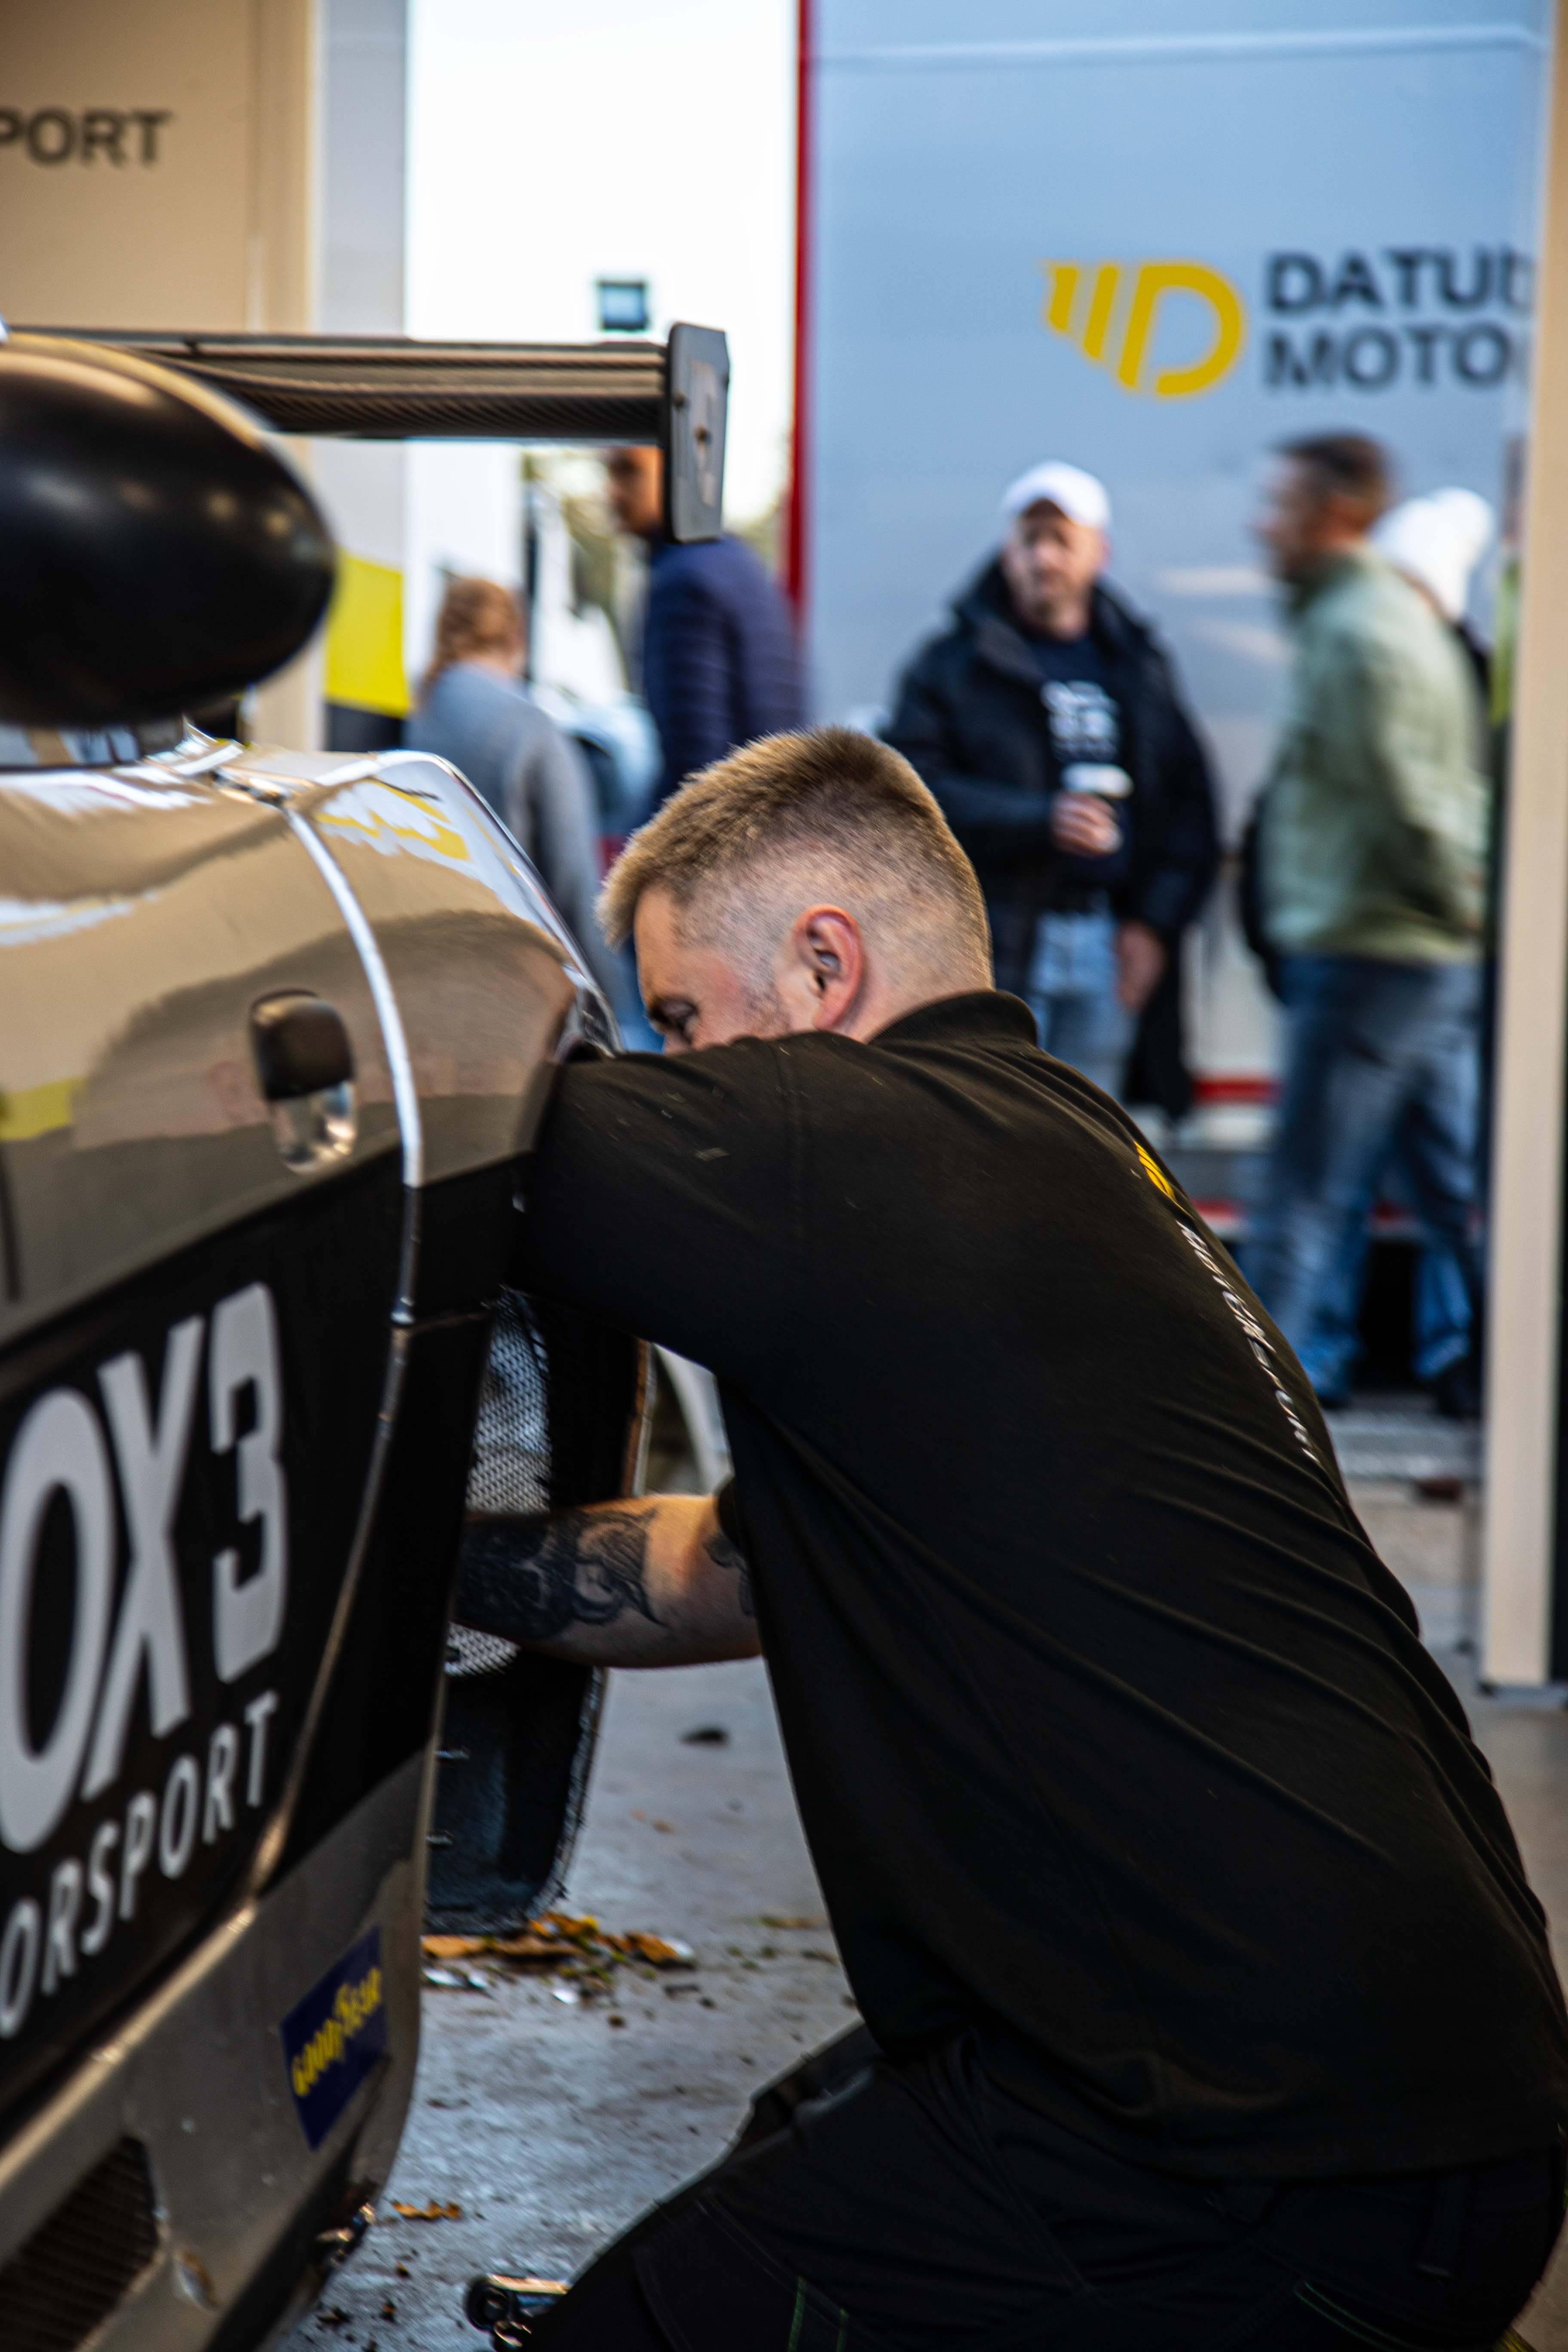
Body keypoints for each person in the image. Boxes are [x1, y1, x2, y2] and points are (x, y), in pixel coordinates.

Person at [462, 728, 1567, 2350]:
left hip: (1261, 2150)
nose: (676, 1073)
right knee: (809, 2140)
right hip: (1431, 2102)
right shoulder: (1057, 1157)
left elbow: (441, 1146)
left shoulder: (842, 1139)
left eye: (683, 1024)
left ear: (824, 965)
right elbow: (715, 1572)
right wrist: (423, 1575)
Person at [1245, 439, 1491, 1410]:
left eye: (1281, 505)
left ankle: (1252, 1435)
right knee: (1458, 1195)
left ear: (1337, 513)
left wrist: (1458, 902)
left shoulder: (1355, 633)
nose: (1263, 525)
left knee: (1301, 1203)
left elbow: (1410, 803)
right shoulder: (1380, 620)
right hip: (1415, 955)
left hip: (1369, 952)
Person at [884, 461, 1218, 1104]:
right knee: (995, 1123)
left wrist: (1154, 925)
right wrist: (1039, 817)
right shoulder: (952, 664)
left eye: (1062, 540)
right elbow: (908, 794)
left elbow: (1188, 807)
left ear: (1100, 552)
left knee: (1095, 1132)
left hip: (1106, 940)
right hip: (995, 941)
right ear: (1007, 550)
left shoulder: (1138, 665)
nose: (1044, 558)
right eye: (1029, 539)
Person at [405, 576, 624, 1006]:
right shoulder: (530, 727)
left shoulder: (421, 718)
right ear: (516, 639)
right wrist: (617, 1002)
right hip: (515, 987)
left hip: (431, 975)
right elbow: (573, 884)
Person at [603, 444, 804, 809]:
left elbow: (696, 769)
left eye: (629, 472)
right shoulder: (736, 562)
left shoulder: (684, 581)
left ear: (679, 472)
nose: (612, 492)